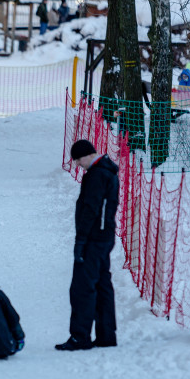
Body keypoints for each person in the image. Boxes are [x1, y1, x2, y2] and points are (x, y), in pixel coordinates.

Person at [56, 140, 120, 351]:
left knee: (82, 288)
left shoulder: (96, 175)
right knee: (102, 285)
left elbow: (91, 209)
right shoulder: (106, 172)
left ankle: (79, 337)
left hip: (94, 239)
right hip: (104, 237)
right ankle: (106, 334)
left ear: (85, 156)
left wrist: (81, 240)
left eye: (77, 160)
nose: (78, 165)